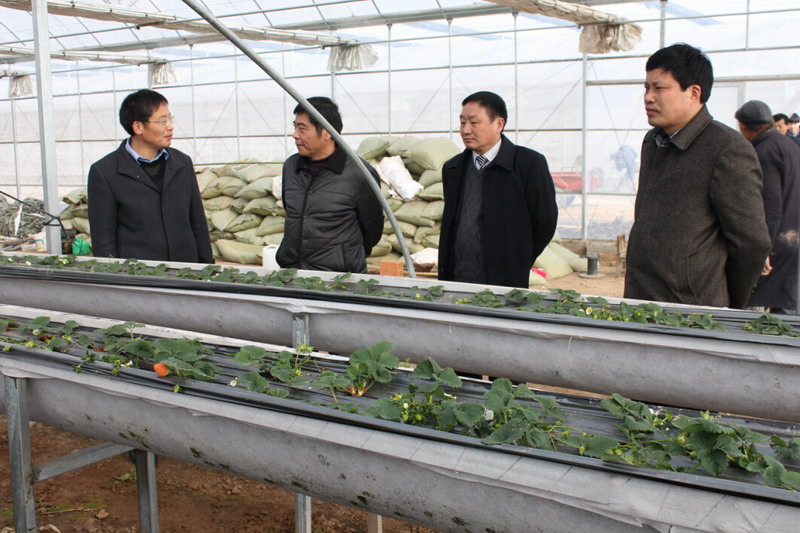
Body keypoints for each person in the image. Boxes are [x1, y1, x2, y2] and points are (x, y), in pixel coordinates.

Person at [624, 44, 770, 308]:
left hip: (691, 310)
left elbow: (751, 242)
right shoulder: (653, 141)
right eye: (646, 88)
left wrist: (728, 301)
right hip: (642, 299)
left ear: (693, 93)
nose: (648, 97)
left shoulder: (726, 148)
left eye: (659, 88)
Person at [438, 91, 558, 288]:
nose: (466, 130)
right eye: (462, 122)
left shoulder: (528, 164)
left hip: (504, 280)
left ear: (499, 124)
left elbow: (545, 222)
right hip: (456, 277)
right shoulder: (453, 168)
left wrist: (517, 259)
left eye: (474, 122)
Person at [88, 89, 212, 263]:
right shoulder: (105, 172)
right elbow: (103, 239)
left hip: (186, 269)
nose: (170, 126)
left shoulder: (182, 163)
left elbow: (197, 222)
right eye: (162, 121)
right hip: (138, 272)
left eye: (170, 119)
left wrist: (207, 267)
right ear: (138, 127)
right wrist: (113, 274)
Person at [276, 96, 383, 273]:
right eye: (295, 127)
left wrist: (343, 257)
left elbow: (372, 230)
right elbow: (292, 212)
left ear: (326, 133)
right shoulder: (291, 167)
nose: (295, 135)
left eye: (302, 129)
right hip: (292, 271)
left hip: (339, 277)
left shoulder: (359, 173)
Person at [736, 100, 800, 313]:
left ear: (743, 126)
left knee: (776, 313)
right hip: (792, 234)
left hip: (779, 241)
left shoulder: (765, 151)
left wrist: (763, 249)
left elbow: (770, 207)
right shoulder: (788, 145)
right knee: (785, 304)